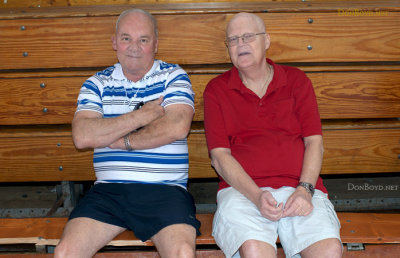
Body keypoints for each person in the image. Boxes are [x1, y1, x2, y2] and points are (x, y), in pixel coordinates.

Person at [54, 8, 200, 258]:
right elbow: (83, 136)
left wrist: (121, 140)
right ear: (114, 42)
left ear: (155, 44)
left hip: (165, 190)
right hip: (108, 192)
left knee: (182, 253)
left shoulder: (173, 76)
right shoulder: (97, 83)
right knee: (66, 252)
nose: (134, 47)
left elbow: (176, 126)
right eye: (126, 38)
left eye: (143, 39)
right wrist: (141, 116)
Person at [203, 12, 342, 258]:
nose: (240, 44)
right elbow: (219, 157)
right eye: (233, 40)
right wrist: (257, 196)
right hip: (243, 191)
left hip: (299, 187)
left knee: (328, 250)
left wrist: (304, 189)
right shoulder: (217, 90)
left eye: (248, 36)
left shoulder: (296, 81)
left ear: (266, 40)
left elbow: (314, 143)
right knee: (255, 251)